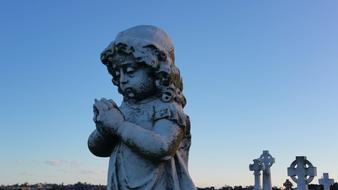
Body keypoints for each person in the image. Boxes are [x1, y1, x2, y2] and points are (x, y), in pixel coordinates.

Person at [87, 25, 196, 190]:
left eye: (130, 71)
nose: (122, 79)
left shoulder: (167, 108)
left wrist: (118, 126)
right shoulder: (123, 110)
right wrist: (104, 128)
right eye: (118, 73)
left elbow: (163, 147)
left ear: (158, 72)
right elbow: (96, 149)